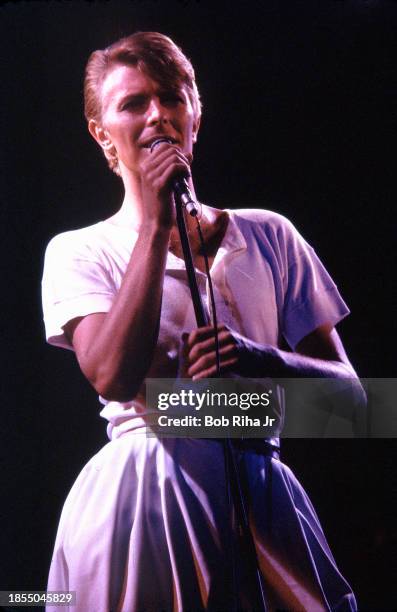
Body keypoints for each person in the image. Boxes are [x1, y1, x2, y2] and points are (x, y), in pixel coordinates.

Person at [42, 31, 362, 611]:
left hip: (262, 487)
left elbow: (357, 406)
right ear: (103, 137)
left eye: (171, 97)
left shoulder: (270, 235)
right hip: (146, 498)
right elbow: (113, 377)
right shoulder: (78, 250)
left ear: (195, 115)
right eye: (133, 103)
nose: (158, 115)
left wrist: (261, 358)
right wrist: (154, 226)